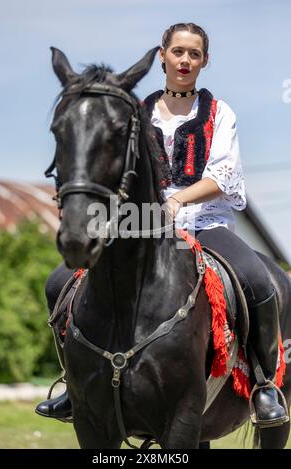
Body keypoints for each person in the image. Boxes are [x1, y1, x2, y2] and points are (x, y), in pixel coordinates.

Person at [36, 22, 287, 428]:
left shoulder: (220, 113)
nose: (185, 60)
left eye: (194, 54)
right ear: (163, 55)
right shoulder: (137, 111)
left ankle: (263, 386)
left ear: (204, 61)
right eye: (178, 52)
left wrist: (176, 200)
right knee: (56, 283)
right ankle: (75, 383)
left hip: (205, 223)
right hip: (139, 224)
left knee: (257, 280)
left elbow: (222, 176)